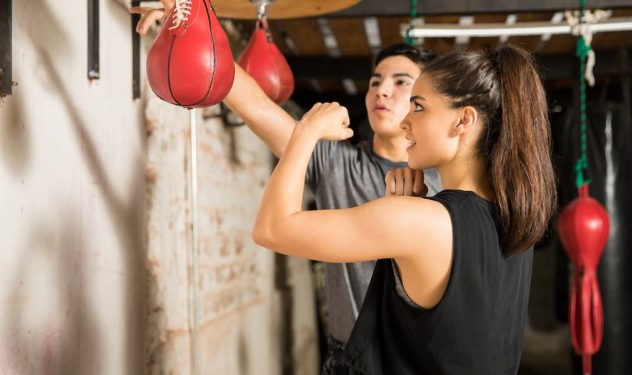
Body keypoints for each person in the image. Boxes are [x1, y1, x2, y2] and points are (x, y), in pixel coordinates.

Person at [131, 0, 442, 355]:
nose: (381, 91)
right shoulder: (334, 163)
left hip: (418, 359)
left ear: (425, 99)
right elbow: (255, 105)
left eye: (400, 82)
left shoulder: (446, 183)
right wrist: (191, 19)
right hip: (349, 358)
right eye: (375, 81)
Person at [252, 45, 556, 374]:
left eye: (419, 106)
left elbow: (271, 228)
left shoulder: (421, 222)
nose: (406, 122)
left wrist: (306, 131)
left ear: (463, 120)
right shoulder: (513, 219)